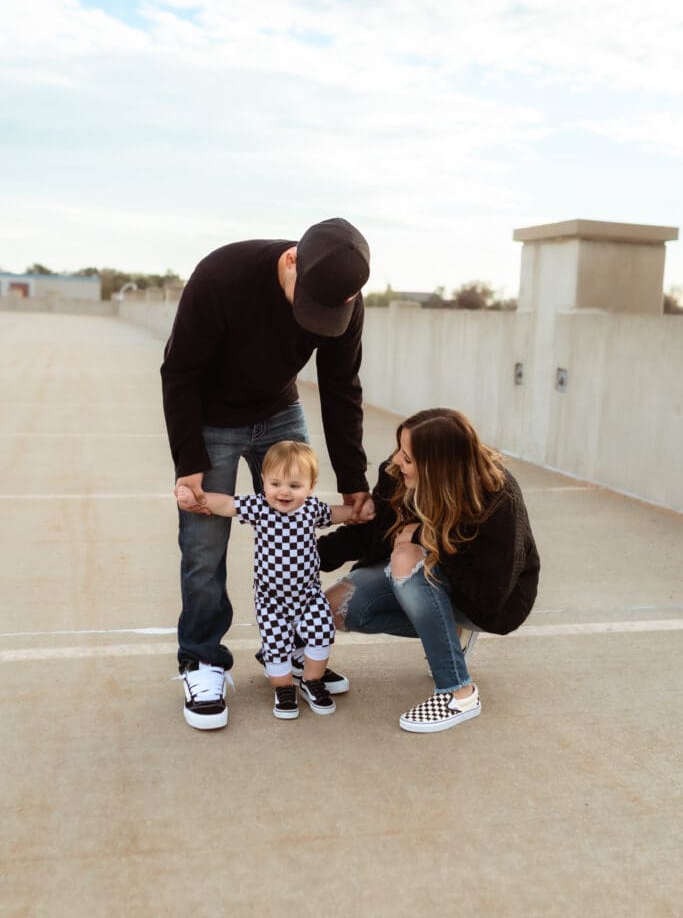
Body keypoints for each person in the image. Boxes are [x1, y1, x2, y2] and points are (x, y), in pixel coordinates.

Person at [161, 218, 371, 730]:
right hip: (211, 419)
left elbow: (341, 385)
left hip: (278, 412)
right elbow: (180, 370)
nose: (317, 320)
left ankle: (294, 650)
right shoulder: (221, 276)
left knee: (295, 533)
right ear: (290, 260)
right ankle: (203, 660)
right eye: (309, 309)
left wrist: (352, 478)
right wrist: (189, 463)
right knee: (205, 543)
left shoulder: (346, 299)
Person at [317, 407, 540, 734]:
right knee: (335, 609)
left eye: (407, 457)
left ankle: (458, 692)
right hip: (434, 581)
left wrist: (427, 538)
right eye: (399, 450)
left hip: (490, 600)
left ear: (437, 468)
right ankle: (449, 637)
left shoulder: (497, 498)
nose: (395, 461)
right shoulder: (398, 477)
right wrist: (301, 558)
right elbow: (370, 535)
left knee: (406, 558)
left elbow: (490, 598)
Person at [177, 441, 375, 721]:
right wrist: (201, 499)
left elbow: (335, 513)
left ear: (311, 486)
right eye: (275, 483)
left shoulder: (311, 509)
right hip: (272, 600)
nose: (284, 491)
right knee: (276, 645)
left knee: (320, 635)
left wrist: (358, 513)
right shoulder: (259, 507)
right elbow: (227, 504)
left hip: (309, 595)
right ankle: (283, 690)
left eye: (294, 486)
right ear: (263, 483)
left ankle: (311, 681)